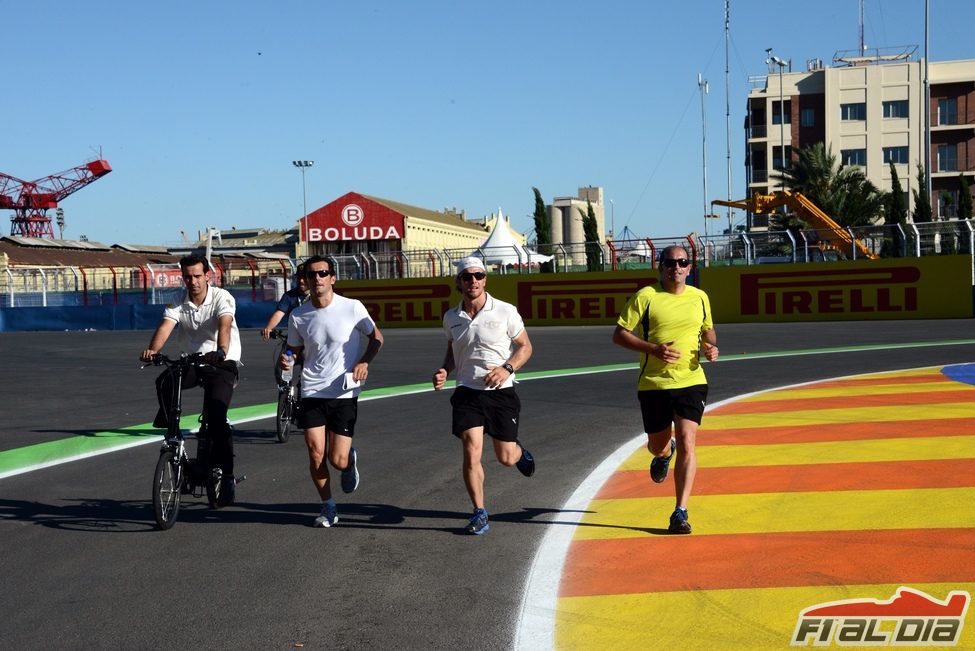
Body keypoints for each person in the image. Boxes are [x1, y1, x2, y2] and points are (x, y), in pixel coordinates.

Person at [612, 245, 719, 535]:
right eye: (670, 262)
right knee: (657, 445)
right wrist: (653, 350)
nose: (677, 267)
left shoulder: (700, 297)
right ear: (660, 267)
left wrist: (711, 346)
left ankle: (680, 511)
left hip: (691, 380)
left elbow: (708, 331)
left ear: (689, 267)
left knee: (688, 439)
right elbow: (619, 335)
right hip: (654, 384)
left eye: (682, 262)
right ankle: (663, 454)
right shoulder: (646, 297)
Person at [432, 256, 535, 536]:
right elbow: (453, 352)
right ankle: (479, 512)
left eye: (478, 276)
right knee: (471, 450)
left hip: (501, 393)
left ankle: (518, 451)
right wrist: (444, 369)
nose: (473, 281)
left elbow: (525, 347)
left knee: (505, 457)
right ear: (459, 282)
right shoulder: (452, 317)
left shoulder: (505, 311)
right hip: (467, 392)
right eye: (467, 277)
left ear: (485, 279)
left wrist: (507, 368)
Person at [281, 255, 384, 528]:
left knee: (336, 459)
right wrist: (288, 358)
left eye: (323, 273)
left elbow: (377, 338)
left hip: (343, 393)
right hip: (312, 390)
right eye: (312, 274)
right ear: (305, 280)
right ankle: (328, 506)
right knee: (315, 453)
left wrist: (364, 361)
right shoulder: (299, 315)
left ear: (332, 278)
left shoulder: (352, 307)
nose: (318, 278)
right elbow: (293, 348)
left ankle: (348, 460)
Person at [140, 253, 242, 507]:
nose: (193, 281)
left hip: (221, 362)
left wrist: (220, 350)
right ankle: (171, 429)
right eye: (187, 277)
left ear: (208, 275)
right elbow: (166, 326)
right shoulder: (178, 300)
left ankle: (227, 477)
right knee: (165, 380)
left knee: (217, 421)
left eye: (197, 276)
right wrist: (152, 350)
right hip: (193, 360)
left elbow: (225, 324)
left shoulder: (222, 297)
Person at [261, 262, 309, 387]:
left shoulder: (316, 296)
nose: (301, 281)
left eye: (304, 277)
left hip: (311, 340)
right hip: (293, 339)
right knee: (280, 368)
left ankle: (304, 389)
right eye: (299, 277)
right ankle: (285, 392)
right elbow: (279, 312)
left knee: (305, 358)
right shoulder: (289, 296)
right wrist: (269, 328)